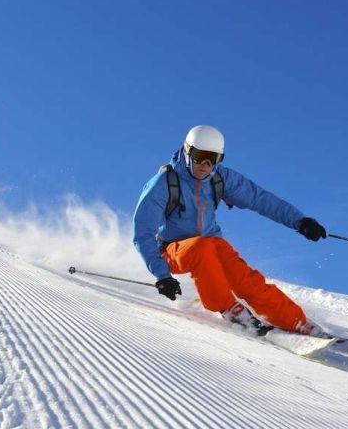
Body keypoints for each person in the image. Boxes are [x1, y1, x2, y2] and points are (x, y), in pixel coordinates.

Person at [132, 125, 329, 336]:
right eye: (200, 156)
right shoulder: (163, 184)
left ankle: (295, 321)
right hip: (172, 251)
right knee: (202, 247)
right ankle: (229, 309)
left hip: (211, 244)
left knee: (245, 279)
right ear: (187, 151)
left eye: (213, 158)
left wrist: (299, 221)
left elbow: (260, 199)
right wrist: (163, 276)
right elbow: (143, 233)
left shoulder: (220, 178)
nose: (206, 165)